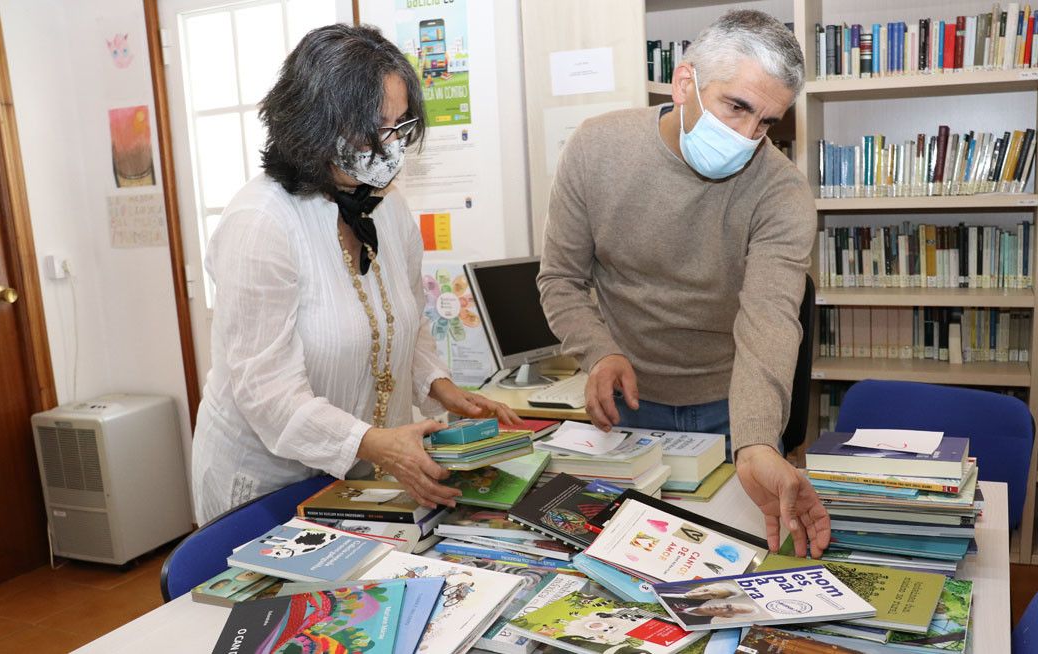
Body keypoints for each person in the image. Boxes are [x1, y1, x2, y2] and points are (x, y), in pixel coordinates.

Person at [190, 24, 518, 524]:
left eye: (399, 125)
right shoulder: (260, 224)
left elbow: (408, 317)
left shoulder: (386, 208)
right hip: (266, 481)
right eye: (374, 127)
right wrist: (376, 444)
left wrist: (440, 387)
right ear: (314, 122)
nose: (391, 146)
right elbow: (267, 391)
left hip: (358, 468)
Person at [537, 10, 828, 558]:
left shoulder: (782, 194)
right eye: (737, 106)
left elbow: (768, 321)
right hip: (626, 401)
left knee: (717, 556)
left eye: (766, 122)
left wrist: (759, 441)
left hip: (730, 404)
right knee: (619, 558)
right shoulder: (597, 149)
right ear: (685, 81)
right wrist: (598, 353)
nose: (747, 137)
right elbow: (561, 279)